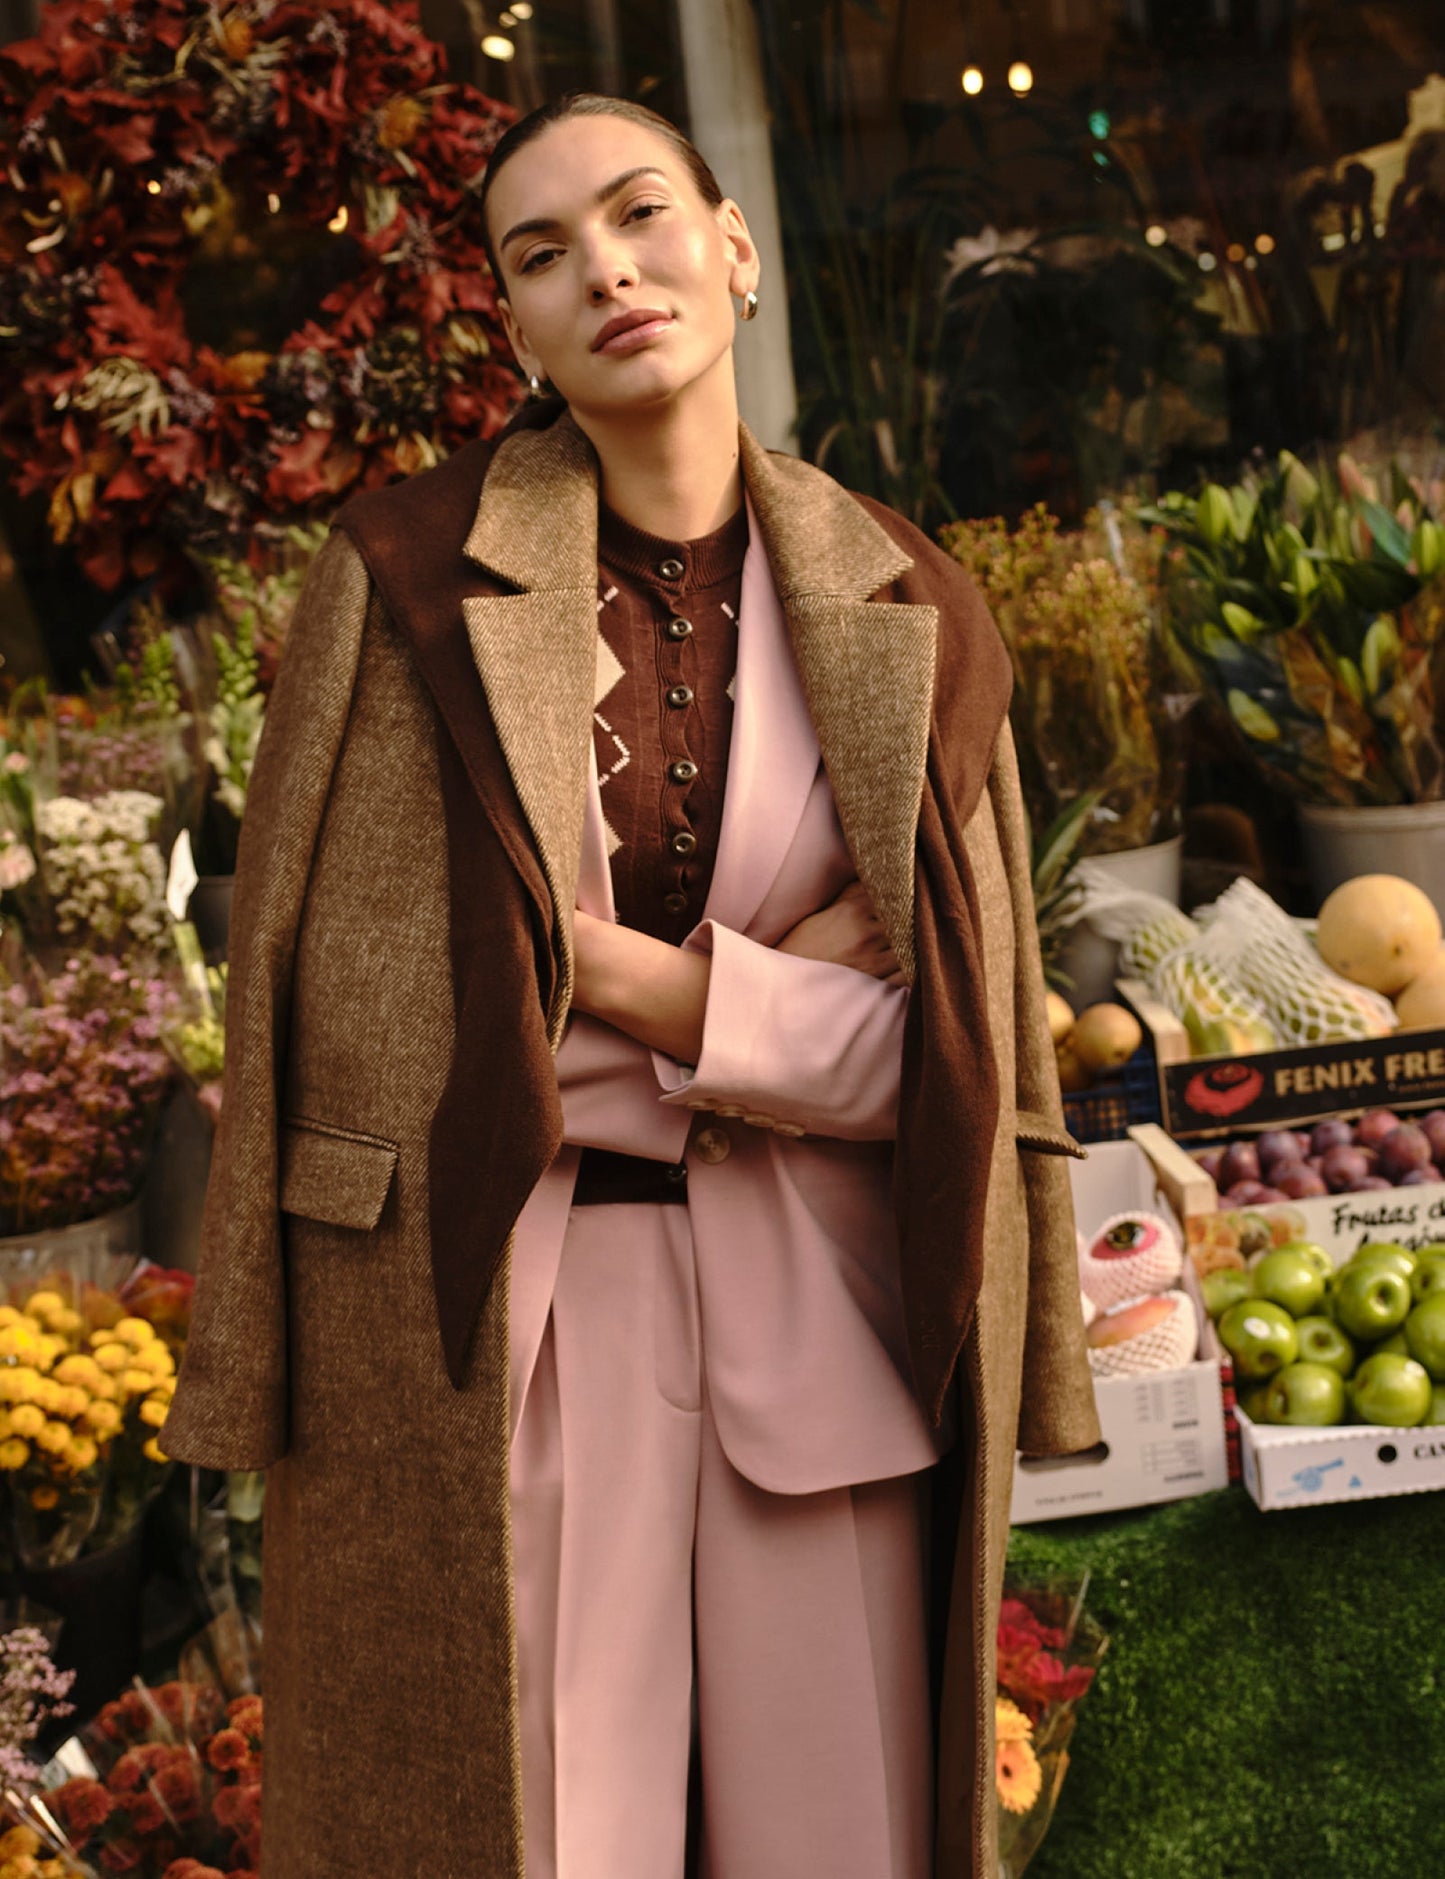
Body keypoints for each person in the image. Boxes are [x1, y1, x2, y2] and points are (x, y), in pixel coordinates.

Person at [163, 92, 1099, 1879]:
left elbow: (947, 1052)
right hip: (507, 1334)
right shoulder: (401, 577)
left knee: (839, 1841)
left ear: (733, 251)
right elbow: (340, 1005)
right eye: (541, 253)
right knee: (541, 1839)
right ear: (513, 324)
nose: (604, 269)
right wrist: (774, 1007)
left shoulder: (907, 596)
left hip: (824, 1337)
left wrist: (612, 980)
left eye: (639, 212)